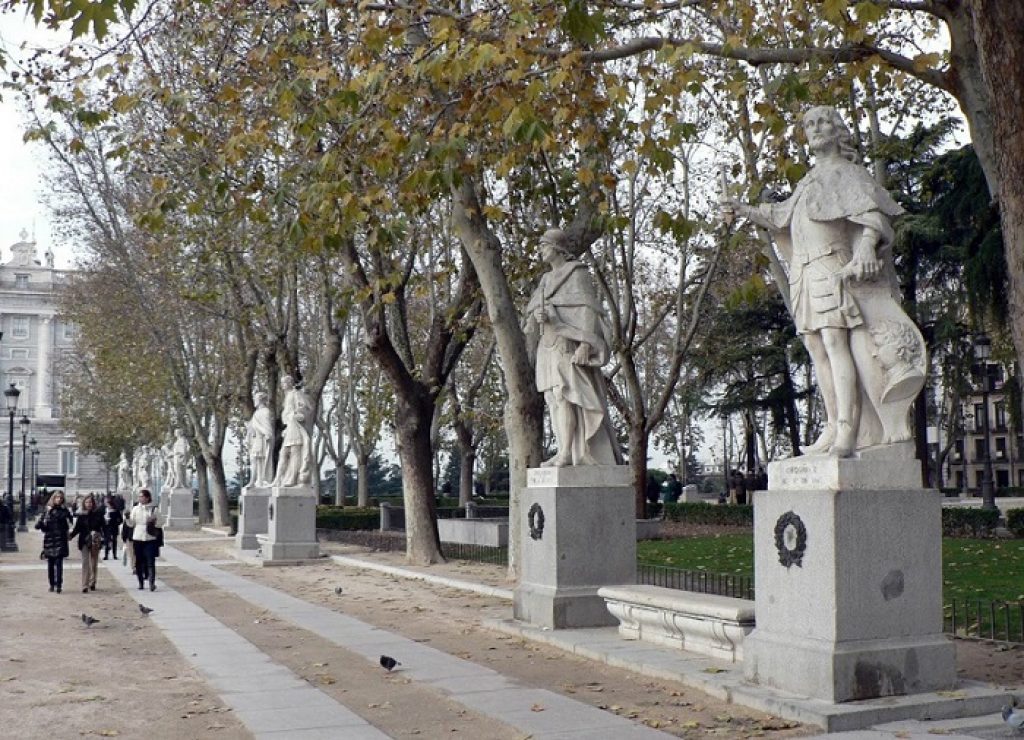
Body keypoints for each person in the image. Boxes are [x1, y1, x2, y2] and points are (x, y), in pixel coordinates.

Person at [722, 106, 924, 457]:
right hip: (803, 274)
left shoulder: (850, 173)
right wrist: (740, 208)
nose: (814, 128)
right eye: (808, 123)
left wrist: (864, 247)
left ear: (837, 129)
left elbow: (873, 214)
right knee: (818, 350)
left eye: (822, 122)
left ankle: (849, 429)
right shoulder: (808, 181)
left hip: (833, 267)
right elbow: (780, 216)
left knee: (835, 344)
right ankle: (833, 426)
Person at [523, 228, 622, 467]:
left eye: (544, 246)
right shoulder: (545, 280)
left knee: (564, 395)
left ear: (557, 248)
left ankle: (568, 452)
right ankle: (561, 450)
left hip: (568, 342)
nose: (540, 250)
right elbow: (533, 310)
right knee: (553, 400)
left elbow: (588, 310)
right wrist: (538, 315)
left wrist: (586, 344)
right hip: (547, 345)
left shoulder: (577, 274)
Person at [272, 375, 312, 487]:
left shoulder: (296, 394)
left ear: (290, 383)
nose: (282, 385)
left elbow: (306, 408)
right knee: (283, 454)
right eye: (282, 383)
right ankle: (278, 479)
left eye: (284, 382)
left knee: (295, 453)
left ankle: (293, 478)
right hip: (289, 427)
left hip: (296, 427)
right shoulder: (287, 396)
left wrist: (297, 414)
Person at [35, 491, 72, 593]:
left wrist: (51, 512)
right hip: (50, 539)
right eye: (57, 498)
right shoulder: (47, 511)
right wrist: (41, 522)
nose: (58, 500)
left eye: (60, 498)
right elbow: (40, 527)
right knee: (50, 564)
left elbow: (64, 518)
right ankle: (52, 584)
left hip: (60, 539)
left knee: (59, 563)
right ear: (53, 499)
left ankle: (59, 584)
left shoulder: (64, 511)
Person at [68, 494, 105, 593]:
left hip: (95, 540)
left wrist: (103, 537)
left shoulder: (98, 514)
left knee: (93, 562)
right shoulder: (81, 515)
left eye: (90, 502)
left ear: (93, 504)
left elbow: (103, 527)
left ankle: (92, 582)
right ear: (84, 503)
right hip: (84, 540)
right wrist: (71, 536)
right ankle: (85, 584)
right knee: (85, 562)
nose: (89, 504)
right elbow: (77, 529)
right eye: (87, 502)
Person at [126, 489, 159, 591]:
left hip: (150, 537)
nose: (140, 498)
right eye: (139, 497)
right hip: (138, 537)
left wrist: (154, 520)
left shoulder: (154, 509)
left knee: (150, 561)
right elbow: (131, 524)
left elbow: (161, 523)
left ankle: (151, 582)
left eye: (142, 497)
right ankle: (140, 582)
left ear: (147, 497)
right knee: (139, 561)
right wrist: (127, 518)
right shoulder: (135, 509)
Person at [245, 392, 275, 486]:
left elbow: (267, 428)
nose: (254, 400)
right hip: (256, 439)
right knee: (254, 459)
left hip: (262, 439)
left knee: (259, 460)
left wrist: (263, 432)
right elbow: (253, 426)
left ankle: (258, 481)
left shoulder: (265, 411)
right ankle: (255, 481)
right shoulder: (256, 413)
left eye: (255, 399)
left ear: (260, 400)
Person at [102, 494, 124, 560]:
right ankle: (106, 555)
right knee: (106, 541)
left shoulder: (116, 511)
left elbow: (121, 520)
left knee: (114, 541)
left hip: (114, 527)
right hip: (106, 528)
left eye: (108, 504)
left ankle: (114, 555)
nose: (107, 505)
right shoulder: (104, 510)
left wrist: (116, 523)